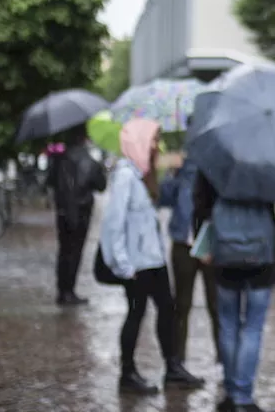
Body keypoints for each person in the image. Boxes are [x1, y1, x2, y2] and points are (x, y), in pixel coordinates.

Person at [100, 118, 205, 394]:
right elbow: (113, 223)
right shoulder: (126, 176)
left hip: (153, 260)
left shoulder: (143, 175)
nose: (157, 145)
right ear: (139, 143)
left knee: (167, 311)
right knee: (136, 314)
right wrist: (122, 263)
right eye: (153, 140)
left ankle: (172, 367)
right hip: (136, 264)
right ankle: (128, 373)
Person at [193, 173, 275, 412]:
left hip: (225, 250)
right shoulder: (266, 161)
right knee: (252, 327)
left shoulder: (215, 158)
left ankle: (232, 394)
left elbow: (200, 203)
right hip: (260, 254)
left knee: (228, 324)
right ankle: (243, 398)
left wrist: (203, 242)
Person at [158, 117, 221, 367]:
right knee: (180, 305)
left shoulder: (218, 164)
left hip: (211, 244)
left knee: (216, 305)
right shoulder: (182, 166)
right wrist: (171, 174)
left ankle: (224, 358)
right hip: (183, 243)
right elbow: (163, 199)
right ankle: (177, 361)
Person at [46, 126, 107, 306]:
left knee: (64, 251)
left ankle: (62, 290)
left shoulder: (59, 160)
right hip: (81, 213)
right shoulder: (90, 161)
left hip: (63, 211)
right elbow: (101, 186)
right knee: (75, 252)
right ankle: (69, 291)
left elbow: (50, 181)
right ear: (84, 138)